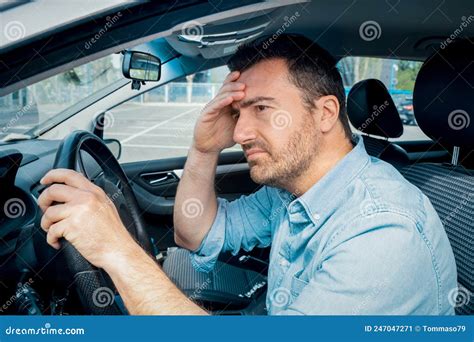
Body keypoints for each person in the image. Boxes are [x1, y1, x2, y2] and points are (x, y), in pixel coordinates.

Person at [39, 34, 457, 315]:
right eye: (239, 113)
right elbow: (195, 234)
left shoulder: (382, 233)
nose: (239, 132)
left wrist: (116, 250)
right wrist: (205, 149)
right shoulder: (294, 189)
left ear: (326, 112)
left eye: (261, 109)